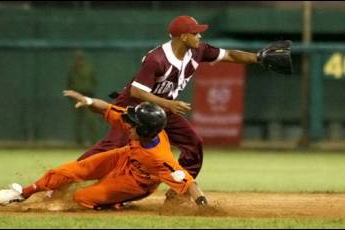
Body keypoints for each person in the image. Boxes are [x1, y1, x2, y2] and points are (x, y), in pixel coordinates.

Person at [78, 15, 291, 202]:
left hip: (163, 109)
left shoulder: (199, 51)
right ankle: (70, 178)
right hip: (134, 107)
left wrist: (258, 58)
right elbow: (136, 92)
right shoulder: (157, 59)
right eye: (195, 33)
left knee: (193, 143)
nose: (199, 37)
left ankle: (178, 194)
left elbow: (229, 55)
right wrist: (169, 104)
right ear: (183, 37)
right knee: (112, 146)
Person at [0, 90, 207, 210]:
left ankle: (115, 202)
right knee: (69, 171)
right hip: (124, 156)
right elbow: (106, 108)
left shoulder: (159, 158)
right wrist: (86, 100)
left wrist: (205, 208)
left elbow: (189, 182)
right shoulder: (138, 127)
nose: (128, 124)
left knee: (82, 197)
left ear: (144, 129)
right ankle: (23, 193)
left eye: (133, 124)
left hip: (138, 182)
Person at [67, 50, 97, 146]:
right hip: (77, 96)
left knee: (91, 120)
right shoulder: (72, 70)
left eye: (80, 59)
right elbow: (69, 83)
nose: (79, 61)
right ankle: (78, 142)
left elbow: (94, 81)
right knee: (78, 121)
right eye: (77, 59)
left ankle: (94, 141)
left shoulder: (89, 69)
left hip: (87, 96)